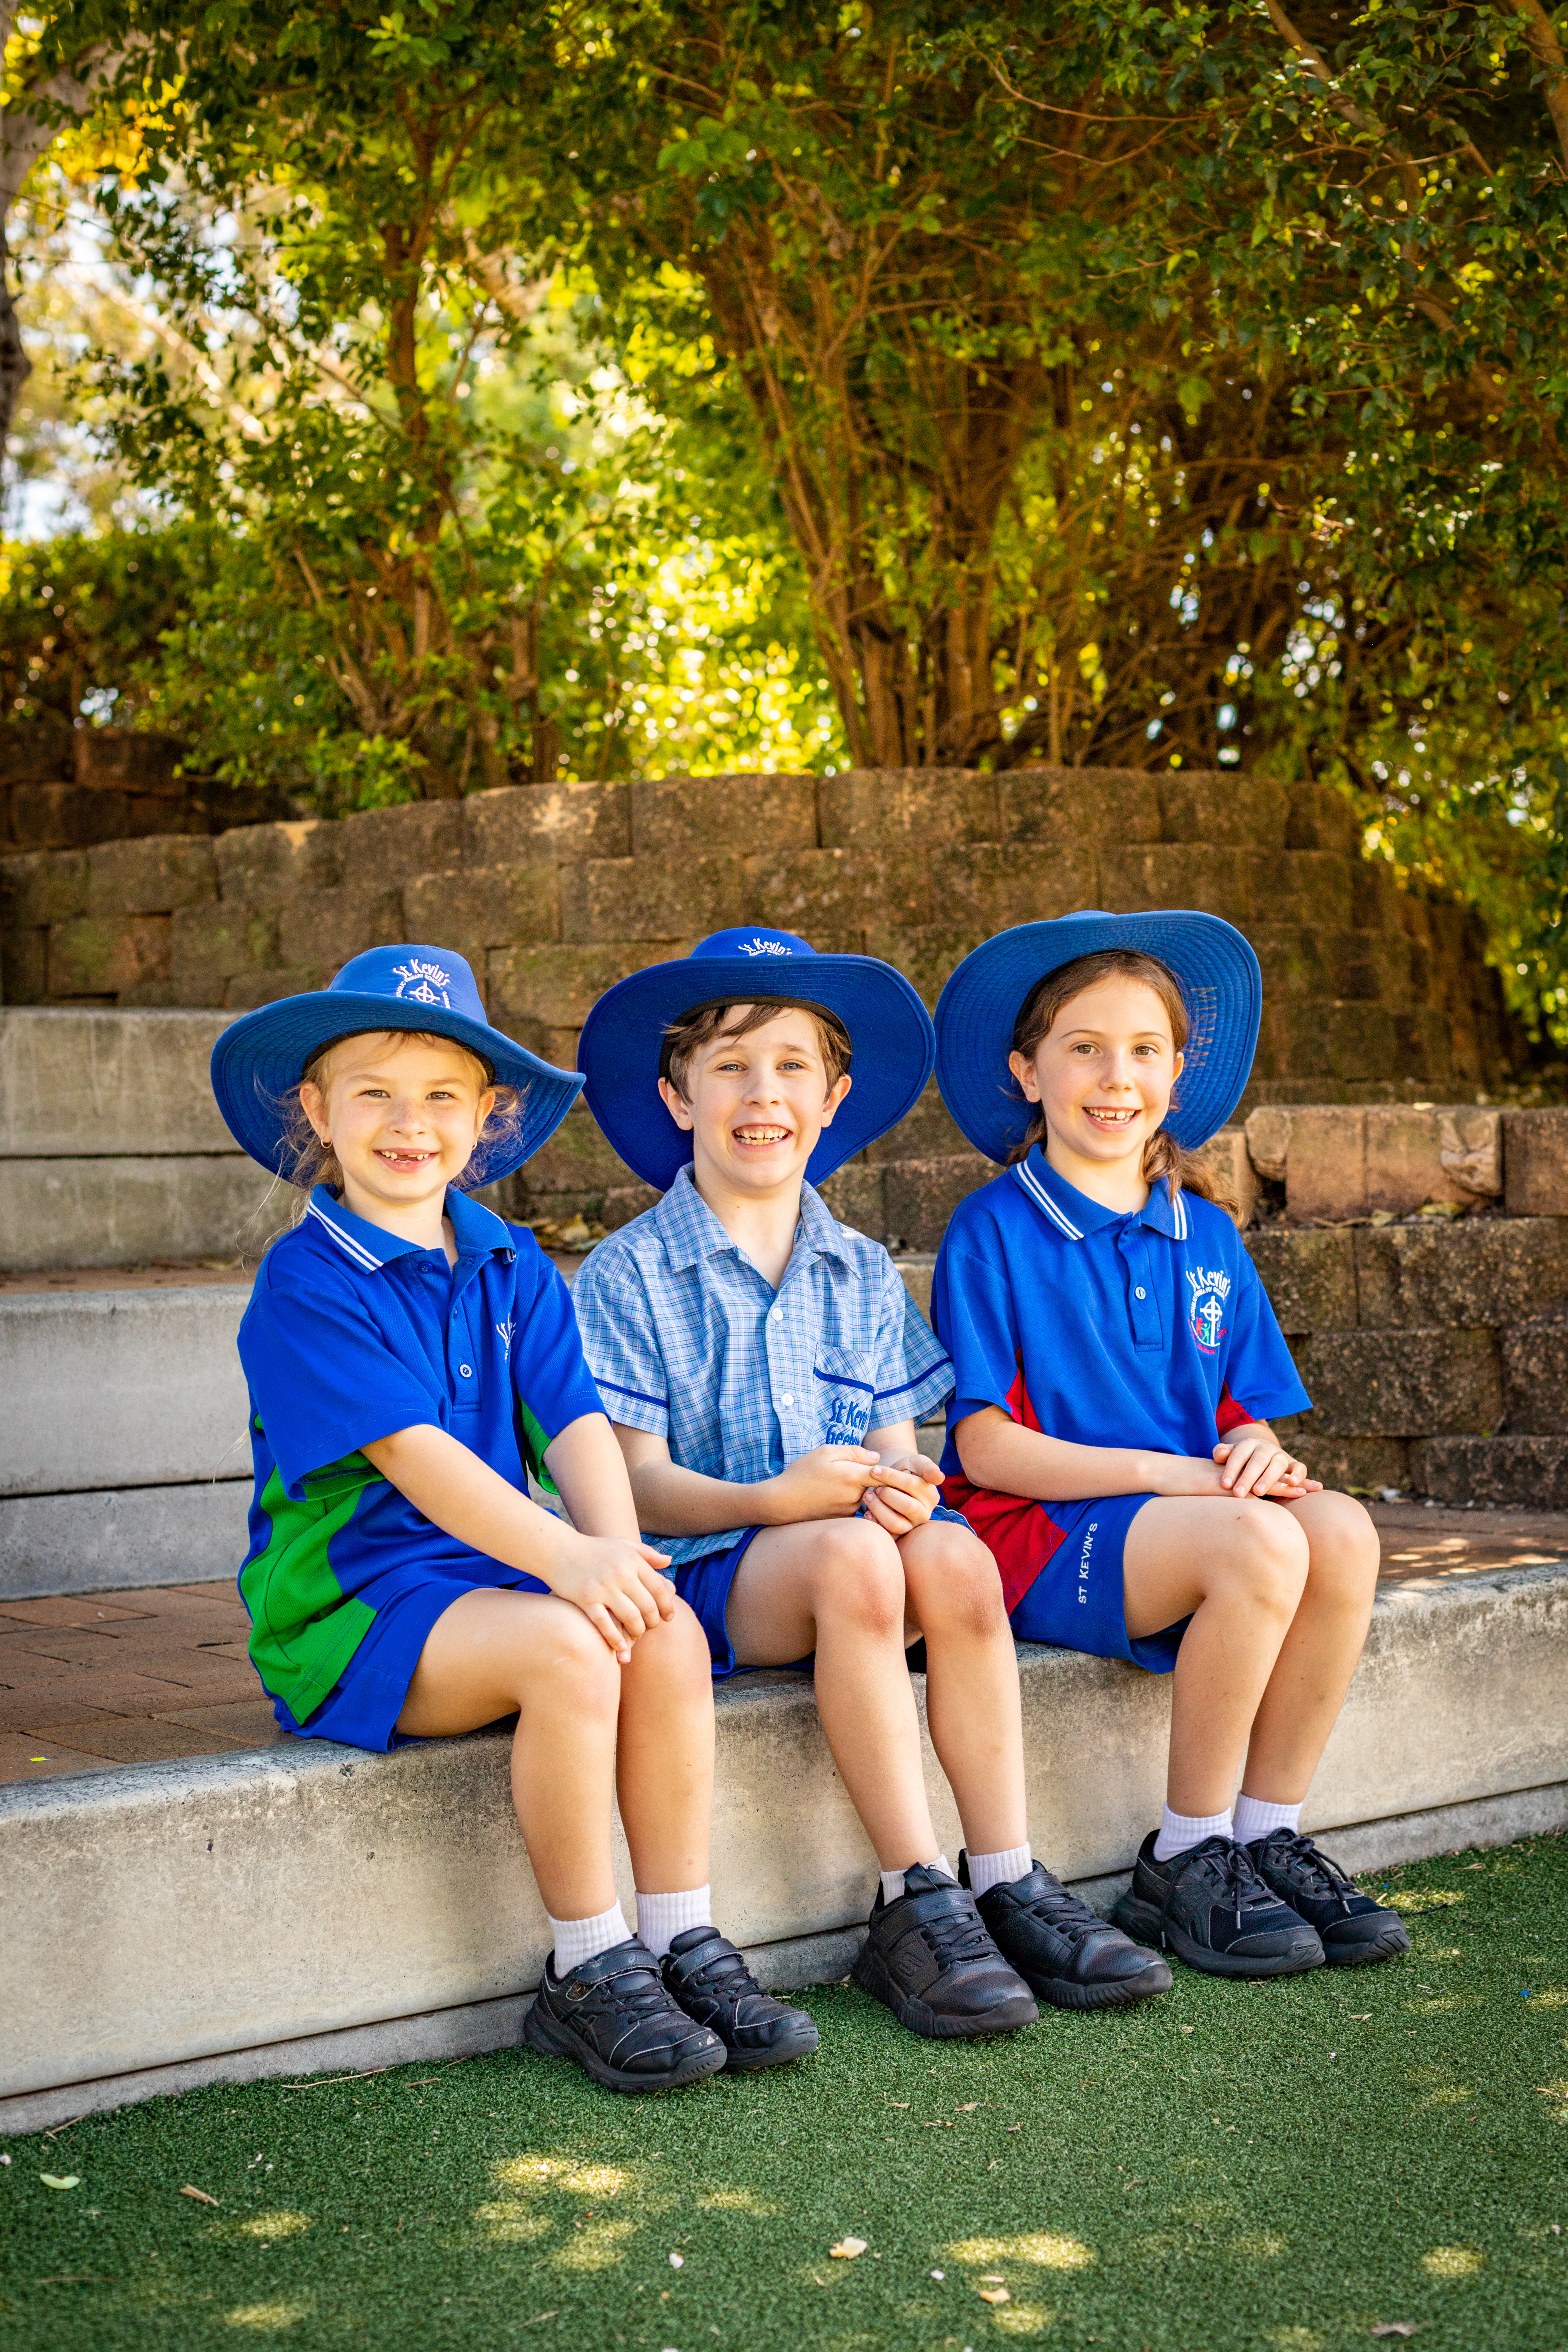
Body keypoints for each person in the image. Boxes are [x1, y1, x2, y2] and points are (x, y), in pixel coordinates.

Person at [209, 943, 819, 2093]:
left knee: (668, 1628)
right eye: (374, 1093)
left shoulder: (511, 1260)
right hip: (353, 1609)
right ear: (316, 1108)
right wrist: (570, 1563)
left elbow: (578, 1424)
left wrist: (617, 1551)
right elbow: (422, 1462)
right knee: (573, 1646)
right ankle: (587, 1967)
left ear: (487, 1115)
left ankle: (682, 1934)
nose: (409, 1123)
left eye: (442, 1095)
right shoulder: (307, 1280)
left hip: (491, 1579)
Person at [571, 926, 1171, 2039]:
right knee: (852, 1551)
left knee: (950, 1550)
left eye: (793, 1066)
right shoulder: (628, 1273)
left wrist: (906, 1485)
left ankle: (1004, 1872)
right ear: (676, 1097)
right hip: (708, 1573)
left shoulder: (856, 1268)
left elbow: (906, 1453)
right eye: (732, 1067)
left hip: (847, 1565)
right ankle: (914, 1895)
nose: (765, 1094)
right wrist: (773, 1500)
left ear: (835, 1095)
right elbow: (637, 1488)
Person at [929, 909, 1411, 1979]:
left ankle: (1263, 1831)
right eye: (1084, 1047)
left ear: (1179, 1072)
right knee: (1261, 1547)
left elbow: (1242, 1408)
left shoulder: (1209, 1230)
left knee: (1339, 1529)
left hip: (1187, 1516)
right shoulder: (994, 1228)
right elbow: (989, 1451)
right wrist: (1186, 1477)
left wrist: (1255, 1455)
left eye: (1145, 1048)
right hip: (1041, 1530)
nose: (1116, 1075)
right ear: (1027, 1070)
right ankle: (1184, 1857)